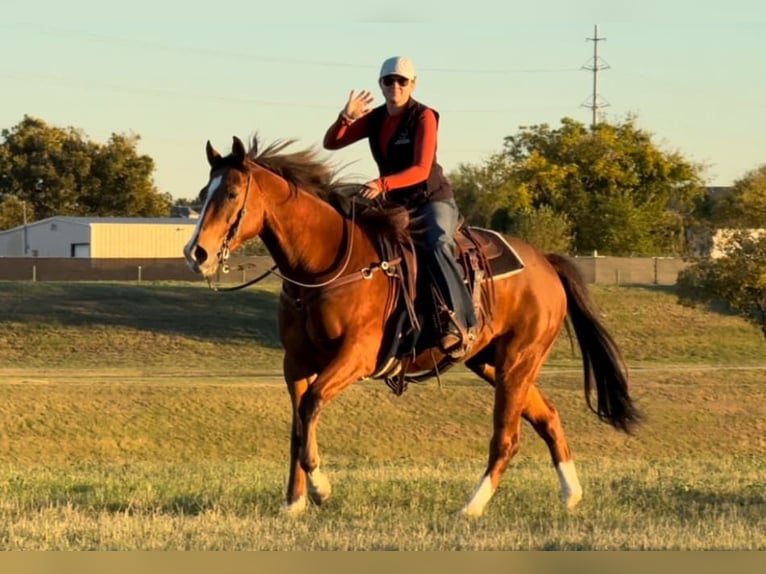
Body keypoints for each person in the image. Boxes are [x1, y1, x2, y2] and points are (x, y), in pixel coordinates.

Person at [323, 55, 477, 358]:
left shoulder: (424, 116)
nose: (395, 85)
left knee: (435, 244)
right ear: (381, 85)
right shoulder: (377, 118)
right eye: (389, 80)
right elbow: (332, 143)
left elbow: (420, 169)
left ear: (413, 84)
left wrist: (381, 184)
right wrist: (346, 117)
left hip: (432, 200)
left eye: (402, 81)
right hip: (396, 204)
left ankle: (459, 321)